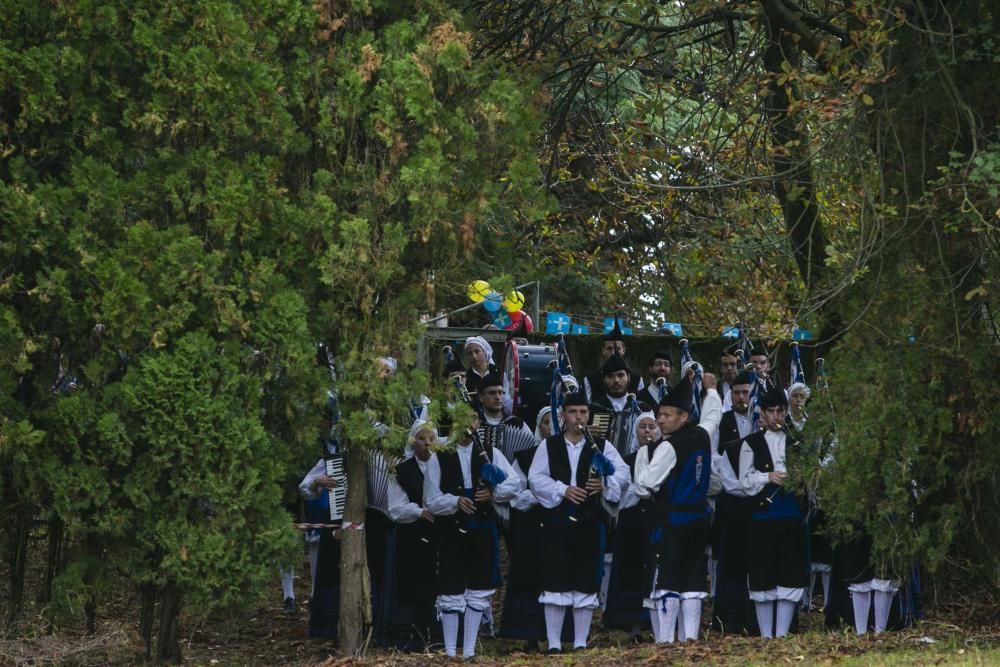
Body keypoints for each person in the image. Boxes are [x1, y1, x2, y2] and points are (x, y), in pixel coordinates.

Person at [528, 391, 629, 653]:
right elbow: (535, 478)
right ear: (562, 415)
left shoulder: (602, 446)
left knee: (586, 579)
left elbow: (624, 474)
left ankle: (581, 642)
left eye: (583, 412)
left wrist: (605, 484)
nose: (579, 418)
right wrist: (563, 490)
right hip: (556, 521)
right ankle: (553, 644)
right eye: (573, 412)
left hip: (590, 520)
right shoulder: (548, 446)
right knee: (555, 578)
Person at [423, 412, 520, 659]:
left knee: (479, 586)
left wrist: (493, 492)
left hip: (483, 529)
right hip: (452, 531)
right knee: (451, 586)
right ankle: (449, 651)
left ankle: (467, 651)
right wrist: (455, 501)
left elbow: (514, 484)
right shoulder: (439, 455)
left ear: (478, 423)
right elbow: (431, 500)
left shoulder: (490, 452)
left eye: (473, 418)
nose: (467, 424)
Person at [636, 377, 713, 643]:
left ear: (684, 416)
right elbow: (712, 416)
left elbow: (645, 485)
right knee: (692, 580)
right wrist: (712, 390)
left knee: (668, 579)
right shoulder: (702, 436)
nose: (660, 420)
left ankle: (667, 641)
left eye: (667, 415)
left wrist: (643, 455)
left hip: (671, 521)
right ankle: (689, 639)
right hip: (699, 519)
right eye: (659, 414)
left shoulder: (668, 446)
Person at [738, 384, 808, 638]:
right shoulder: (751, 443)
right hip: (762, 517)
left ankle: (782, 632)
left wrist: (801, 476)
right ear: (763, 414)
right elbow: (744, 482)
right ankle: (766, 635)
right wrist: (767, 476)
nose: (777, 416)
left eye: (781, 411)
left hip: (791, 514)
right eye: (772, 411)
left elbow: (812, 472)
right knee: (762, 573)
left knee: (790, 572)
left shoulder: (798, 440)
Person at [380, 421, 439, 650]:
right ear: (413, 441)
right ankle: (409, 637)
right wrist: (418, 511)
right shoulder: (401, 470)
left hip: (438, 535)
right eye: (422, 439)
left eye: (431, 438)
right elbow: (395, 508)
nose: (427, 443)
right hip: (411, 535)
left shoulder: (443, 465)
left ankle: (436, 635)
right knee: (412, 584)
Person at [603, 410, 660, 641]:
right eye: (642, 427)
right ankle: (635, 628)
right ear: (635, 432)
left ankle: (659, 626)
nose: (647, 431)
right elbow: (619, 494)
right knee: (633, 574)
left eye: (651, 426)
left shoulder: (665, 457)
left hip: (656, 520)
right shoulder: (626, 461)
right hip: (633, 524)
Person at [710, 371, 759, 634]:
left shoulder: (761, 420)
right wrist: (736, 480)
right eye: (737, 393)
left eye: (746, 393)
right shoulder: (723, 421)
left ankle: (756, 620)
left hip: (758, 503)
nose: (742, 398)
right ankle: (728, 619)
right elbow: (715, 458)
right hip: (731, 503)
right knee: (731, 563)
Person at [583, 322, 643, 403]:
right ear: (603, 350)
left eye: (618, 348)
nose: (614, 352)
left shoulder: (637, 380)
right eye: (609, 348)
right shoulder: (590, 380)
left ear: (624, 350)